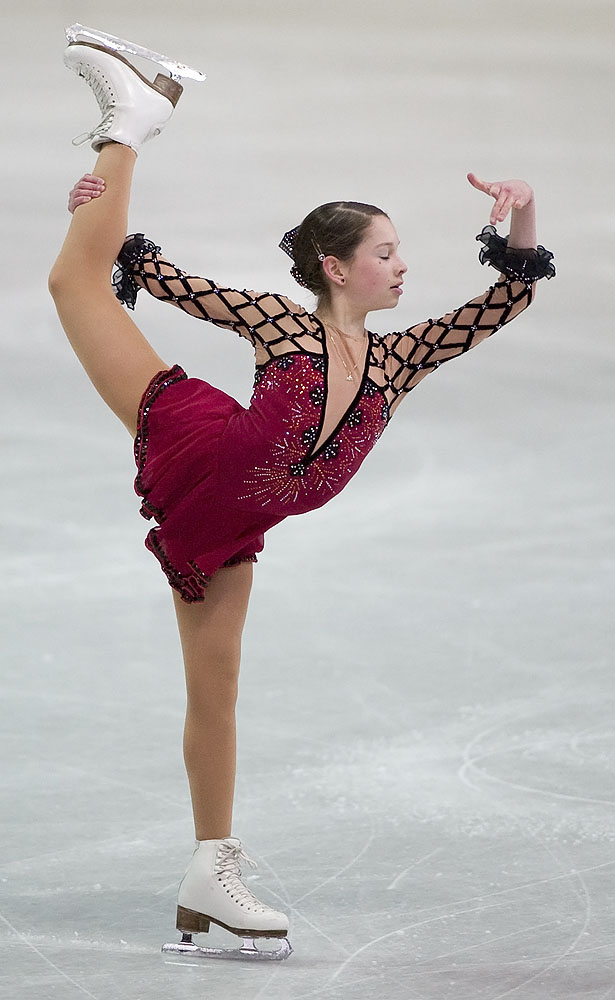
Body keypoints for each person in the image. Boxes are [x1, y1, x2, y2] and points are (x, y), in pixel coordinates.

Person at [49, 31, 555, 961]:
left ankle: (210, 871)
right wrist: (98, 205)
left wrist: (520, 214)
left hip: (237, 523)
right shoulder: (283, 329)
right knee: (76, 276)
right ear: (336, 267)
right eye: (387, 253)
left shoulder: (397, 363)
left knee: (217, 689)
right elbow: (150, 275)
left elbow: (508, 296)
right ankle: (131, 119)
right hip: (193, 446)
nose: (403, 267)